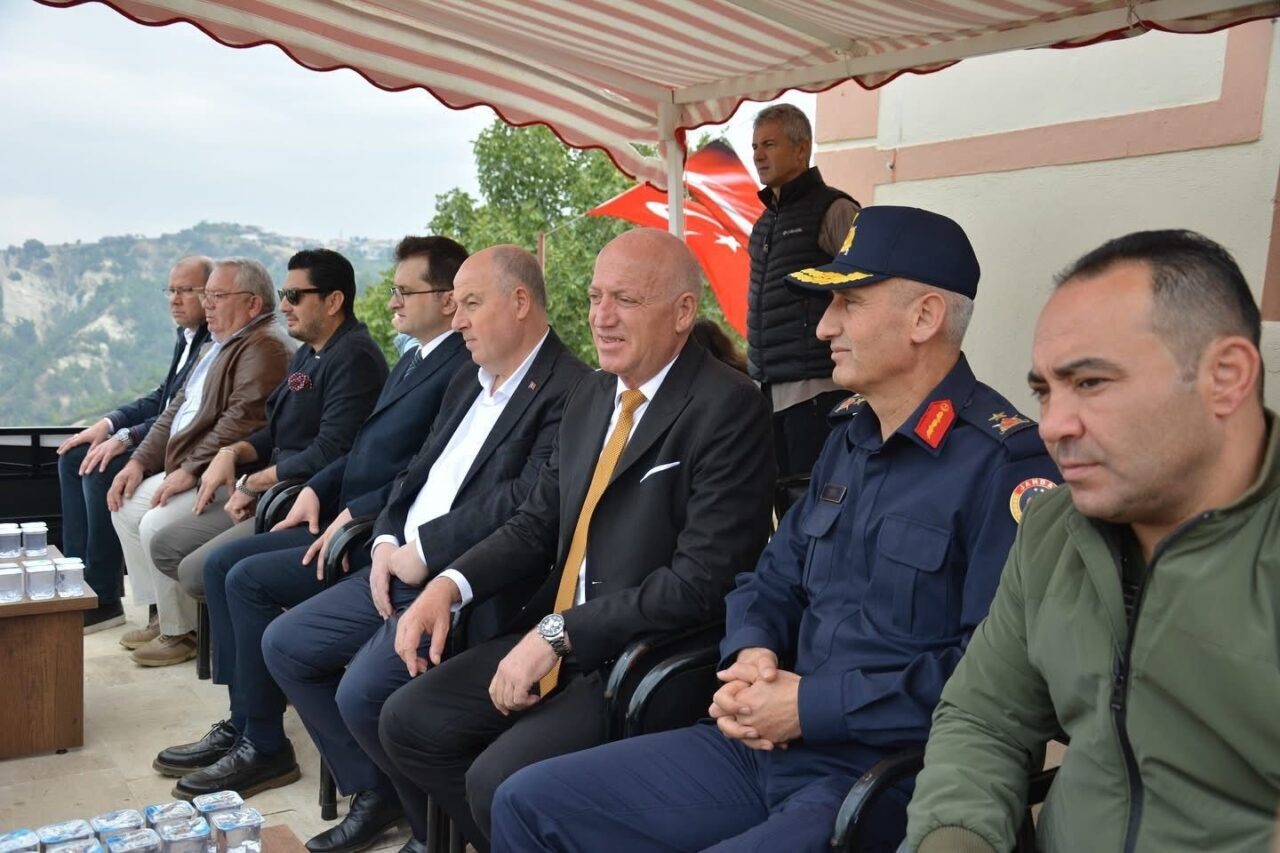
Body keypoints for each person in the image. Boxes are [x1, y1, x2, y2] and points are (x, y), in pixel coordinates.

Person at [488, 206, 1061, 853]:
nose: (824, 326)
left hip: (885, 776)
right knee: (527, 801)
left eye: (848, 303)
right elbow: (769, 579)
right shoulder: (848, 438)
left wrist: (810, 705)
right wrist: (751, 653)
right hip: (766, 745)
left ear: (924, 317)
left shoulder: (1004, 465)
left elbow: (994, 681)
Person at [375, 227, 777, 852]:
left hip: (635, 658)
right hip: (556, 635)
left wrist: (559, 634)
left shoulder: (728, 405)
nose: (601, 317)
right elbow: (537, 522)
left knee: (496, 780)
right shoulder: (592, 393)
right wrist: (449, 587)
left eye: (626, 300)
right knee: (407, 721)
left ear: (682, 312)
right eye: (594, 296)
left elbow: (700, 583)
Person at [906, 230, 1280, 853]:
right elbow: (985, 719)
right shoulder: (1054, 529)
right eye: (1045, 391)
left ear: (1225, 377)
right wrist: (954, 839)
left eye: (1091, 383)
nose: (1052, 426)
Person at [259, 245, 590, 852]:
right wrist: (387, 536)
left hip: (469, 582)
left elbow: (525, 504)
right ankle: (378, 790)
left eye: (470, 304)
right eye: (454, 305)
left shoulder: (570, 389)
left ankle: (428, 830)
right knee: (286, 644)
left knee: (364, 694)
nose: (457, 320)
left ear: (520, 302)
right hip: (396, 560)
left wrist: (428, 553)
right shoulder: (468, 376)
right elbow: (417, 470)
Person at [150, 236, 473, 800]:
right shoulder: (412, 359)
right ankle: (247, 723)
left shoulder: (445, 367)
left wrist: (349, 511)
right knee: (226, 568)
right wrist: (315, 488)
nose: (392, 301)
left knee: (241, 576)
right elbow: (359, 448)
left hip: (371, 533)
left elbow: (416, 470)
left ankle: (265, 743)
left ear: (447, 299)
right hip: (337, 509)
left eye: (405, 291)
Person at [134, 248, 386, 667]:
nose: (284, 305)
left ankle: (253, 672)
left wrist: (255, 482)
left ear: (334, 301)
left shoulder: (353, 357)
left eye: (295, 296)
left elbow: (333, 450)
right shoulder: (310, 352)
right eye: (284, 295)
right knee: (165, 545)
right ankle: (242, 663)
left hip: (305, 500)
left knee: (207, 569)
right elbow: (277, 428)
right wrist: (234, 452)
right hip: (275, 489)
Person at [108, 257, 291, 661]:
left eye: (217, 296)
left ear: (253, 304)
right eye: (205, 295)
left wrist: (190, 470)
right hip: (192, 464)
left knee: (155, 520)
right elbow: (174, 410)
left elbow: (240, 421)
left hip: (231, 475)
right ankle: (163, 613)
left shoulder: (264, 346)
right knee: (125, 503)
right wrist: (139, 461)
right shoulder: (215, 345)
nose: (206, 305)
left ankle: (182, 632)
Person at [57, 255, 212, 632]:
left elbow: (185, 413)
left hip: (181, 446)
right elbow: (163, 397)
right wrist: (108, 423)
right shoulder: (187, 336)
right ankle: (79, 583)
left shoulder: (214, 342)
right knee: (74, 457)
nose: (175, 299)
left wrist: (127, 437)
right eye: (170, 290)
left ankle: (103, 596)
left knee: (101, 469)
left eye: (185, 290)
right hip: (159, 435)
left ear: (211, 294)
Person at [747, 103, 859, 485]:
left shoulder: (836, 210)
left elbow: (866, 290)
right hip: (768, 390)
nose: (758, 155)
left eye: (769, 144)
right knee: (780, 499)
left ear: (801, 149)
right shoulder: (763, 223)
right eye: (755, 146)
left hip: (818, 389)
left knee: (818, 495)